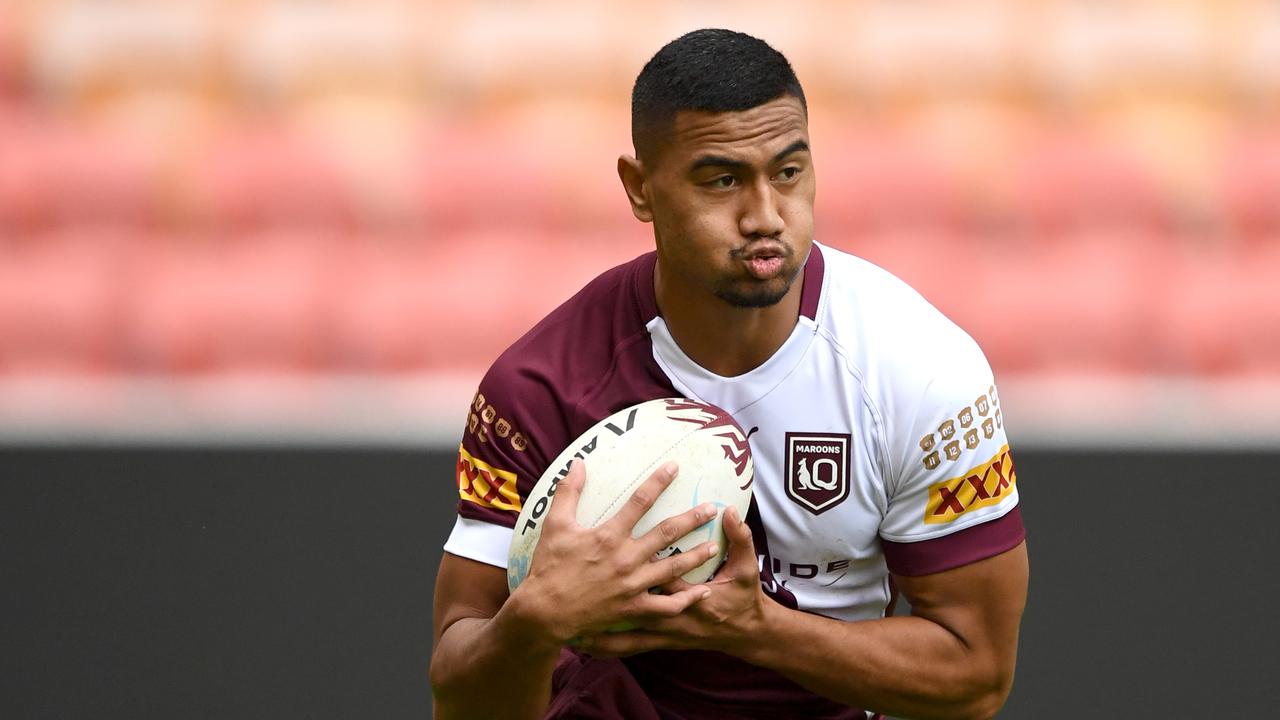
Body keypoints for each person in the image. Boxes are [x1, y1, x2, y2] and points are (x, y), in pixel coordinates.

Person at [430, 29, 1028, 720]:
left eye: (788, 172)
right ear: (640, 188)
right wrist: (533, 621)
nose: (764, 216)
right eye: (721, 180)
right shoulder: (538, 387)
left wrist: (755, 628)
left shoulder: (922, 371)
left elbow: (978, 676)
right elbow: (458, 700)